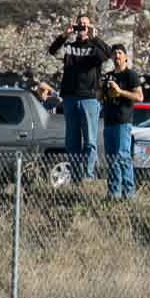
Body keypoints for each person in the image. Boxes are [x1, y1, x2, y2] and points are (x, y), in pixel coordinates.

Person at [46, 14, 110, 183]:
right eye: (80, 25)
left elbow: (107, 55)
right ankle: (74, 176)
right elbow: (52, 51)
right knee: (72, 141)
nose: (82, 28)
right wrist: (64, 35)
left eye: (85, 25)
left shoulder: (95, 48)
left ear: (90, 27)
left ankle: (87, 176)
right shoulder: (69, 47)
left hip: (89, 98)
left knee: (90, 140)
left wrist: (95, 37)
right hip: (70, 97)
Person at [100, 44, 143, 200]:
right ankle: (113, 193)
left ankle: (128, 193)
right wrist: (102, 89)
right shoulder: (108, 76)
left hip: (123, 121)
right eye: (114, 53)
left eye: (120, 53)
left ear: (125, 56)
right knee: (111, 157)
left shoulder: (130, 75)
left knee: (122, 156)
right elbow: (101, 97)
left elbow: (139, 97)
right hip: (109, 121)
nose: (117, 56)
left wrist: (120, 91)